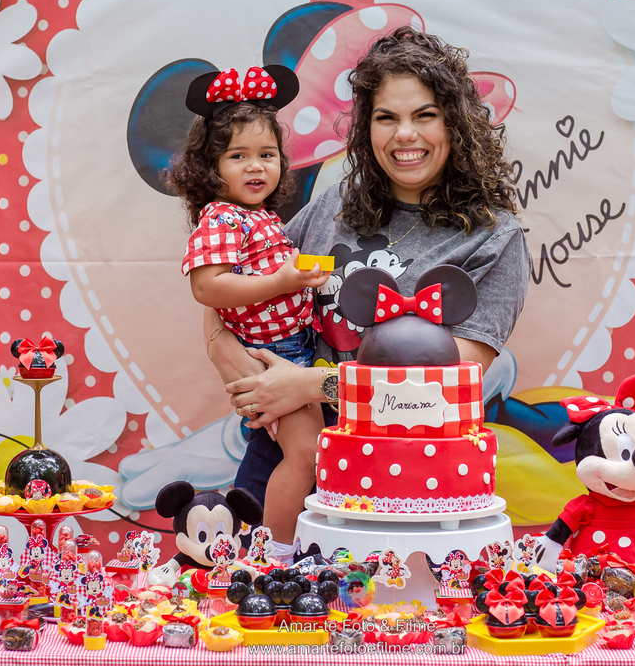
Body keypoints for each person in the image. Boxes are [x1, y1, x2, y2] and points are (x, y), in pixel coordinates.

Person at [205, 28, 530, 559]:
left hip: (401, 476)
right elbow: (236, 293)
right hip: (288, 451)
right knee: (259, 619)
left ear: (457, 122)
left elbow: (447, 384)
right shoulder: (333, 205)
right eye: (387, 117)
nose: (406, 135)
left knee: (378, 624)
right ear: (365, 129)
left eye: (425, 115)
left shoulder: (494, 238)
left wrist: (305, 385)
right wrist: (221, 348)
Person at [169, 66, 330, 550]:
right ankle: (274, 550)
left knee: (303, 452)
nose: (256, 167)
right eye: (238, 156)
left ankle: (270, 544)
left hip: (295, 347)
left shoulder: (258, 217)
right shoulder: (221, 216)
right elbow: (207, 287)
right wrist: (280, 279)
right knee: (306, 455)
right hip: (270, 354)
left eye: (267, 155)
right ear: (209, 168)